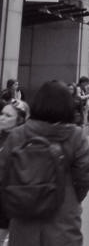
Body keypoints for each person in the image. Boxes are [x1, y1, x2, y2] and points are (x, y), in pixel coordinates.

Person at [0, 80, 89, 245]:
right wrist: (71, 197)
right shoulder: (75, 136)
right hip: (63, 217)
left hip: (23, 214)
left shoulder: (18, 135)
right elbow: (85, 176)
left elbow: (3, 174)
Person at [0, 98, 30, 244]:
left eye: (8, 116)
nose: (2, 118)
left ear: (19, 120)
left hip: (9, 201)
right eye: (2, 114)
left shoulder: (23, 142)